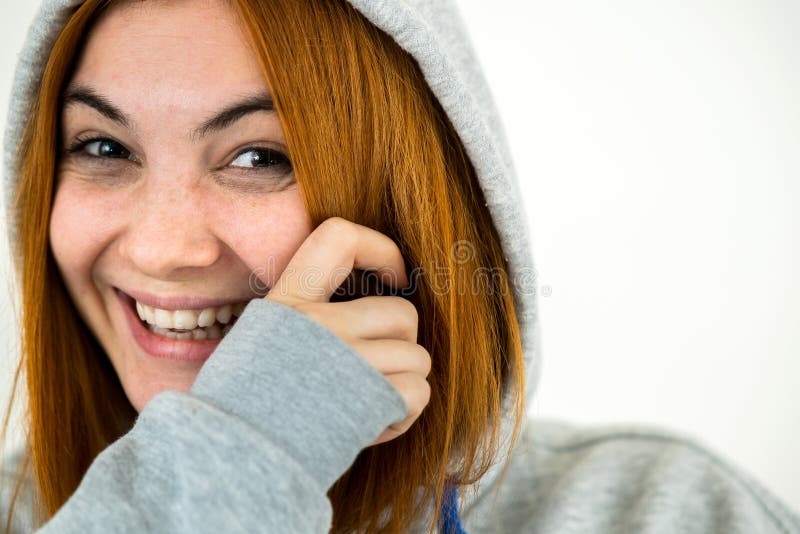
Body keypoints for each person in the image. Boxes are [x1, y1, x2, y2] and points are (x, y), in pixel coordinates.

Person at [1, 0, 798, 533]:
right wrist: (247, 445)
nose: (161, 249)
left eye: (258, 156)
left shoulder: (658, 512)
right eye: (103, 148)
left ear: (403, 203)